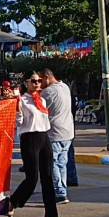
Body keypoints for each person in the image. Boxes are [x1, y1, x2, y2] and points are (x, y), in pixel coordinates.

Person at [8, 72, 64, 217]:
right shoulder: (22, 100)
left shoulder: (42, 101)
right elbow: (19, 122)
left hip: (44, 137)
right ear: (27, 83)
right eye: (33, 81)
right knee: (32, 179)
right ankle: (13, 201)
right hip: (29, 138)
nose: (37, 84)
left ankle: (51, 216)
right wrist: (17, 110)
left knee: (48, 177)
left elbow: (45, 121)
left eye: (39, 81)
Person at [42, 68, 75, 204]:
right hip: (68, 132)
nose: (39, 83)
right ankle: (63, 190)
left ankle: (60, 192)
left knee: (54, 163)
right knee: (62, 163)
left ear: (47, 77)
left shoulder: (47, 92)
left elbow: (40, 110)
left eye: (40, 80)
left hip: (54, 132)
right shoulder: (65, 87)